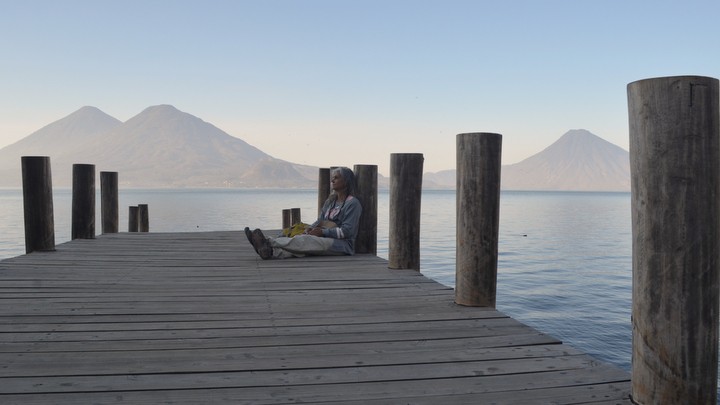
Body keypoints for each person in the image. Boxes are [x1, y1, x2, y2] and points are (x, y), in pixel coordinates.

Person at [245, 166, 362, 259]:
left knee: (308, 241)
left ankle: (267, 242)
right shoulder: (330, 201)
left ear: (346, 181)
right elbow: (320, 221)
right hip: (324, 238)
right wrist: (310, 229)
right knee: (303, 243)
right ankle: (269, 252)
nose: (332, 180)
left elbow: (347, 231)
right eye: (332, 177)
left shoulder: (352, 204)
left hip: (342, 245)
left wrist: (323, 232)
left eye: (336, 178)